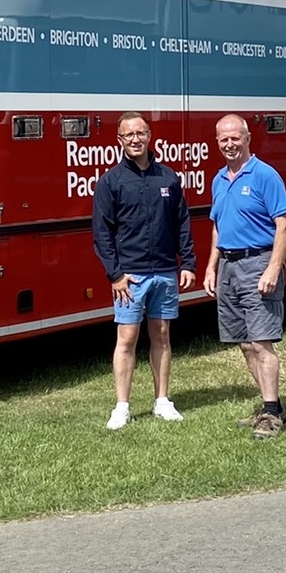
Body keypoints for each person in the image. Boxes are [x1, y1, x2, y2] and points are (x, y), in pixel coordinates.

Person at [91, 111, 196, 430]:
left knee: (161, 335)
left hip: (164, 271)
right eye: (128, 135)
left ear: (150, 136)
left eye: (141, 133)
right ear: (119, 140)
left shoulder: (168, 178)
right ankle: (121, 406)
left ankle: (162, 400)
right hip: (130, 276)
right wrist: (115, 274)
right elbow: (101, 233)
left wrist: (188, 262)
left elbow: (182, 223)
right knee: (127, 338)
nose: (135, 139)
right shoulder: (111, 182)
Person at [203, 113, 286, 439]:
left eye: (235, 138)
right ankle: (272, 406)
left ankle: (270, 413)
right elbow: (218, 226)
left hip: (257, 264)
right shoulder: (219, 179)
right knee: (244, 344)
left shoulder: (265, 176)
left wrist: (272, 267)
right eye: (223, 139)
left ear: (247, 139)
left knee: (261, 341)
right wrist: (212, 266)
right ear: (217, 142)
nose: (229, 144)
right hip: (228, 267)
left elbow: (284, 225)